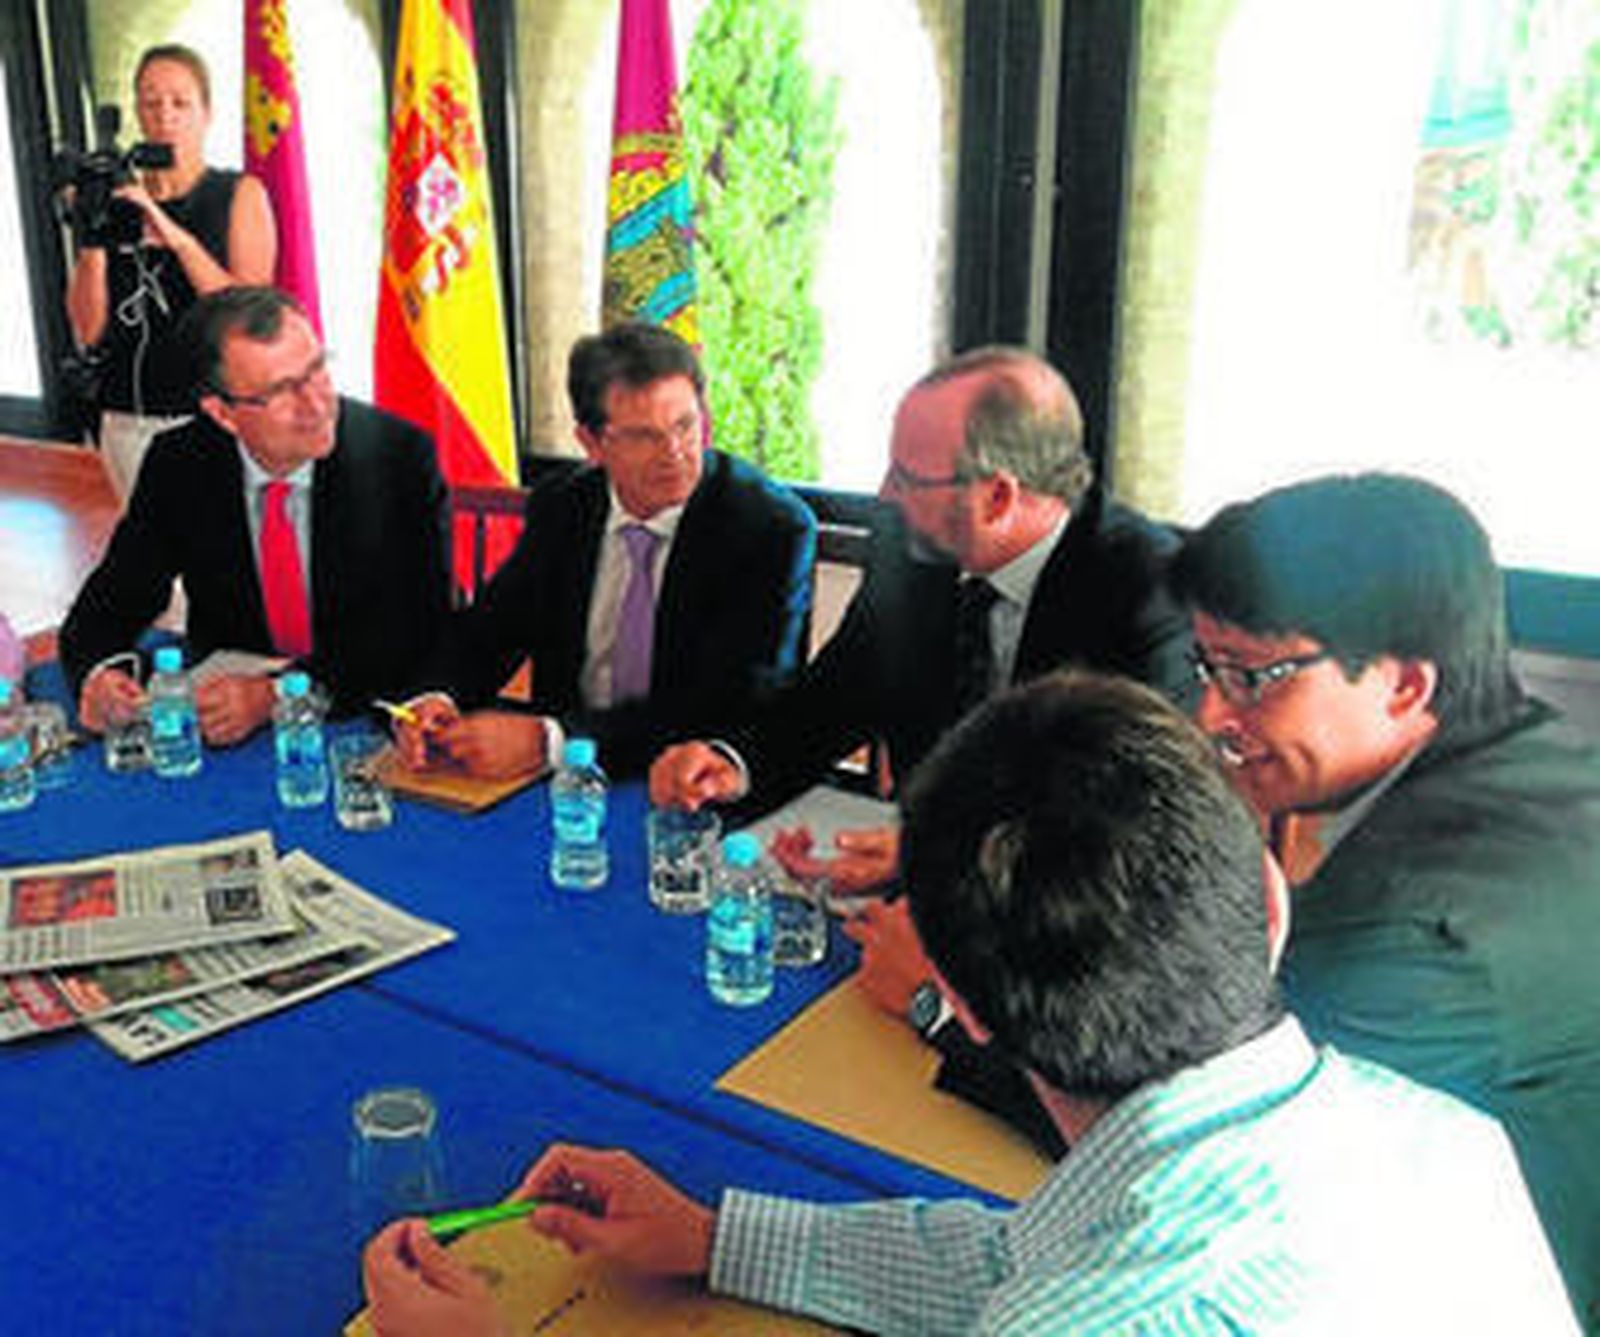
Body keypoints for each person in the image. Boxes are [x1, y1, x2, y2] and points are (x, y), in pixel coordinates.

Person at [362, 673, 1576, 1335]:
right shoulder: (1439, 1133)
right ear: (1269, 894)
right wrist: (715, 1233)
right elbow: (1011, 1255)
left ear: (962, 1009)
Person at [1171, 472, 1600, 1328]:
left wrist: (942, 1008)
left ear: (1405, 685)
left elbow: (1209, 1146)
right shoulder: (1539, 755)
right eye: (1207, 667)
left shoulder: (1415, 920)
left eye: (1254, 675)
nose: (1212, 712)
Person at [651, 346, 1191, 893]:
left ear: (998, 496)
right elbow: (834, 697)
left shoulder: (1145, 592)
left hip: (1053, 904)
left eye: (907, 477)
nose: (886, 495)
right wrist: (730, 762)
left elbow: (1123, 825)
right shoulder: (911, 546)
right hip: (911, 874)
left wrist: (939, 857)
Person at [391, 321, 815, 781]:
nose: (674, 452)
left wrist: (549, 741)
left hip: (689, 785)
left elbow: (727, 708)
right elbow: (490, 630)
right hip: (564, 787)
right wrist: (435, 698)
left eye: (686, 425)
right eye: (643, 436)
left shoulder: (766, 527)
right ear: (591, 444)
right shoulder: (564, 505)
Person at [60, 286, 451, 746]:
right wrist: (102, 674)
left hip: (362, 715)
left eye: (317, 368)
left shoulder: (398, 456)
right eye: (282, 390)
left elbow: (415, 630)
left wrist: (277, 694)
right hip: (226, 724)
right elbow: (115, 596)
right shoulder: (180, 462)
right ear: (223, 413)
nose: (316, 404)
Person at [64, 44, 277, 501]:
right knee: (149, 564)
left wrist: (173, 235)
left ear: (207, 113)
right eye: (151, 102)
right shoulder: (118, 201)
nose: (165, 116)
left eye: (181, 103)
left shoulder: (237, 194)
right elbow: (88, 329)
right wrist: (91, 239)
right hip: (124, 417)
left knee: (213, 564)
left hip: (210, 418)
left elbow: (248, 316)